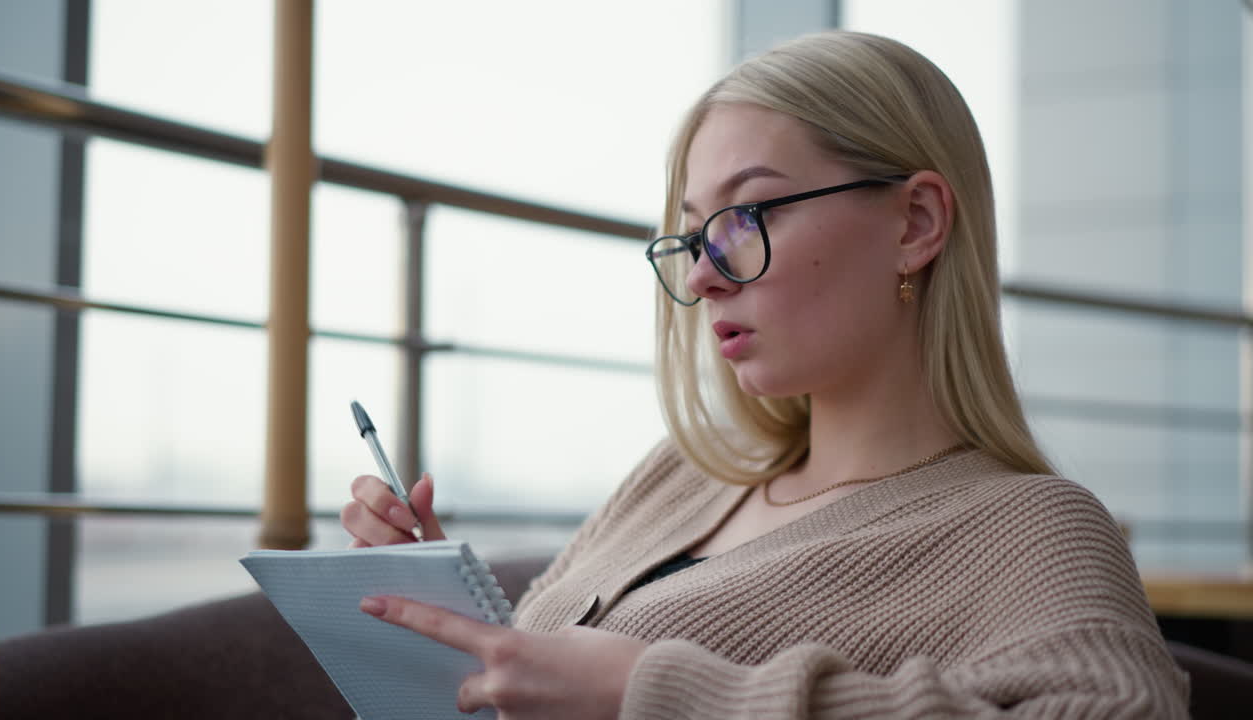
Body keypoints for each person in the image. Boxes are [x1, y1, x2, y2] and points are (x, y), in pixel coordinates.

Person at [340, 30, 1189, 718]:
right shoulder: (683, 475)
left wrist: (661, 695)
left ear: (917, 222)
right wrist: (438, 612)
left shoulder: (1029, 527)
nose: (704, 274)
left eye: (744, 217)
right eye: (693, 233)